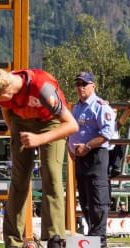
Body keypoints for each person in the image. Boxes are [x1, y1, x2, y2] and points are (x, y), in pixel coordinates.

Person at [0, 68, 79, 248]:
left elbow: (72, 125)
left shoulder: (42, 88)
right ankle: (13, 240)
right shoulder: (4, 85)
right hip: (21, 122)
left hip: (51, 122)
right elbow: (7, 113)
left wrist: (40, 139)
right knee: (19, 180)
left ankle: (55, 237)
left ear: (6, 92)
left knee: (52, 176)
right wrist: (15, 133)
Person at [68, 72, 115, 248]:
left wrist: (87, 146)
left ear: (93, 86)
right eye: (78, 84)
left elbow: (107, 133)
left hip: (95, 156)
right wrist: (71, 147)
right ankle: (92, 239)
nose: (80, 88)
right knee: (85, 200)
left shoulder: (100, 106)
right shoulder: (77, 108)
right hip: (80, 158)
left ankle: (99, 241)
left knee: (97, 199)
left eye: (84, 84)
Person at [108, 102, 130, 177]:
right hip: (103, 152)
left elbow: (123, 119)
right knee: (105, 179)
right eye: (111, 111)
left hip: (113, 153)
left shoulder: (116, 124)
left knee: (121, 142)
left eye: (115, 112)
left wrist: (128, 108)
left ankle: (115, 167)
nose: (113, 114)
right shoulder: (101, 122)